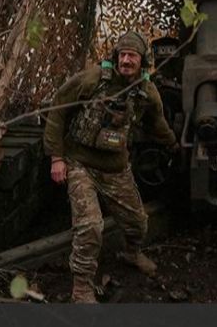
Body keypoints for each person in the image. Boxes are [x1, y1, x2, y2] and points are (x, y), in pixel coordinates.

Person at [43, 30, 178, 303]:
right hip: (80, 163)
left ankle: (131, 253)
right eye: (123, 55)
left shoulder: (146, 91)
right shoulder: (93, 79)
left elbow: (156, 122)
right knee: (91, 226)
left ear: (142, 62)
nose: (126, 61)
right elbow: (58, 108)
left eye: (133, 56)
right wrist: (56, 158)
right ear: (116, 57)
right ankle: (81, 288)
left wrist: (174, 144)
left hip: (116, 168)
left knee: (138, 222)